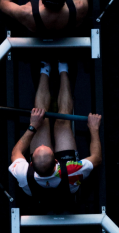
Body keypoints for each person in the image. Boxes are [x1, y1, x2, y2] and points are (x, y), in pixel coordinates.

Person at [9, 61, 102, 205]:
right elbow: (96, 158)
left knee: (41, 123)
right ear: (57, 161)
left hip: (50, 181)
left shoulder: (22, 173)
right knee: (63, 122)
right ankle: (63, 68)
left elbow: (16, 152)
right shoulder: (73, 170)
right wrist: (94, 129)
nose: (45, 145)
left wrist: (33, 126)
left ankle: (45, 69)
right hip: (67, 179)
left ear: (31, 163)